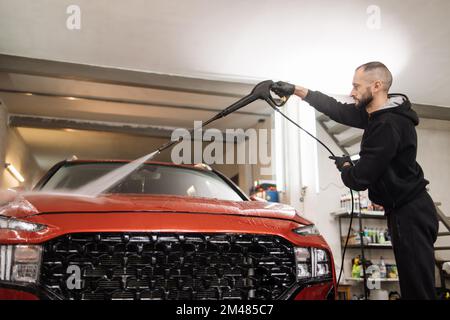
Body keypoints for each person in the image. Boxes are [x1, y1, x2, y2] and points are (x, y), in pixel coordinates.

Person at [271, 61, 439, 300]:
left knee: (418, 291)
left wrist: (347, 167)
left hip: (409, 212)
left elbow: (360, 179)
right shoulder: (378, 115)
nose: (352, 92)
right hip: (408, 208)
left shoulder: (387, 124)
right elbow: (337, 109)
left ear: (377, 85)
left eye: (356, 86)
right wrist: (297, 90)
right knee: (415, 286)